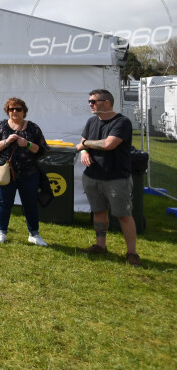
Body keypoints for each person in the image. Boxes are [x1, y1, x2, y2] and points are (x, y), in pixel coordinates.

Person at [76, 89, 140, 266]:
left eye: (94, 101)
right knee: (98, 212)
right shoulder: (91, 121)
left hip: (116, 178)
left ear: (107, 102)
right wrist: (84, 152)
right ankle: (100, 246)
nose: (90, 104)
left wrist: (85, 144)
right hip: (92, 176)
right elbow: (80, 145)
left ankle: (132, 253)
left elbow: (108, 144)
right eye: (89, 101)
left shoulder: (122, 122)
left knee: (124, 215)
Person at [0, 97, 48, 246]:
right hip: (6, 172)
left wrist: (27, 144)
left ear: (24, 111)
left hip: (29, 172)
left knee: (30, 203)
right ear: (7, 111)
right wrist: (6, 141)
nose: (14, 111)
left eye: (18, 109)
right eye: (11, 109)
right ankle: (1, 232)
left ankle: (34, 234)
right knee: (4, 203)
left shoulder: (33, 128)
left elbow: (42, 149)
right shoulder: (0, 126)